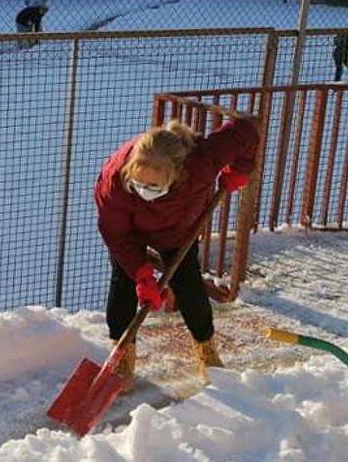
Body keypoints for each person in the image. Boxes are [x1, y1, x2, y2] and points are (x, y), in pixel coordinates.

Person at [95, 117, 259, 388]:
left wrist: (240, 169)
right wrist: (142, 275)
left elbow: (247, 130)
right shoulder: (115, 184)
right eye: (139, 184)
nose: (144, 191)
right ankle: (122, 354)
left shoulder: (202, 162)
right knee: (123, 283)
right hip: (130, 231)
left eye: (153, 187)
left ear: (176, 174)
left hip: (178, 230)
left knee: (189, 284)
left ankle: (206, 347)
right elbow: (117, 235)